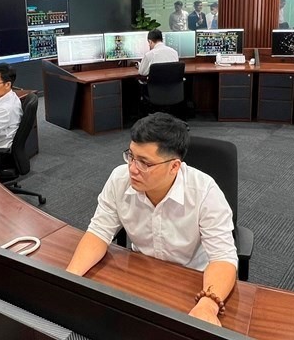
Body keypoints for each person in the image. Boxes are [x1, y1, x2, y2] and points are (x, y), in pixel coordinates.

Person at [66, 113, 238, 326]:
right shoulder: (120, 179)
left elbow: (223, 257)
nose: (132, 168)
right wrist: (69, 280)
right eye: (130, 156)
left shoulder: (204, 192)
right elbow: (99, 232)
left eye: (144, 163)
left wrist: (207, 305)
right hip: (142, 273)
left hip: (193, 279)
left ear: (174, 167)